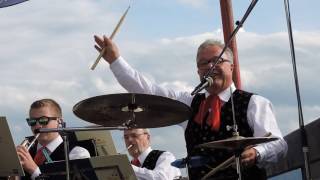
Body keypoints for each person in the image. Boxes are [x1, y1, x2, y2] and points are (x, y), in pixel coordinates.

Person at [94, 35, 288, 180]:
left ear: (232, 66)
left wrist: (257, 153)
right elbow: (149, 91)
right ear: (198, 71)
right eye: (204, 63)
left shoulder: (253, 103)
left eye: (217, 60)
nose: (210, 66)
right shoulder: (189, 102)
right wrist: (115, 61)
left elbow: (279, 144)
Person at [16, 99, 91, 180]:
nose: (37, 126)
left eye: (43, 120)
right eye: (32, 121)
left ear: (59, 122)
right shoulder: (25, 153)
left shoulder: (76, 154)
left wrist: (34, 171)